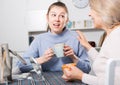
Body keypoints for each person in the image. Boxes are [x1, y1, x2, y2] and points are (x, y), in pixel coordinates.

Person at [17, 1, 91, 73]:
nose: (57, 19)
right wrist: (42, 59)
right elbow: (21, 65)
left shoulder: (76, 37)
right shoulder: (39, 39)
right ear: (47, 17)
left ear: (66, 20)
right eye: (53, 15)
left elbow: (87, 68)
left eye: (62, 16)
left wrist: (73, 57)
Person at [62, 0, 120, 85]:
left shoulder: (117, 37)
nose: (89, 14)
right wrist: (87, 46)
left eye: (92, 9)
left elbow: (115, 82)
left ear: (104, 11)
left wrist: (81, 76)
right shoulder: (112, 34)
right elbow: (105, 62)